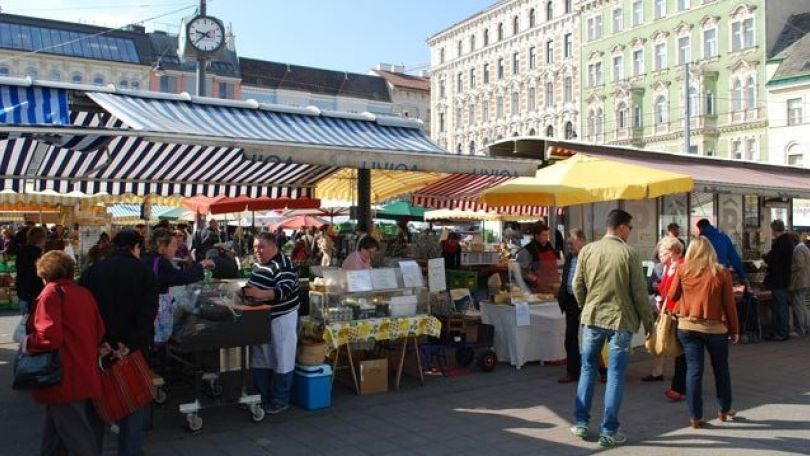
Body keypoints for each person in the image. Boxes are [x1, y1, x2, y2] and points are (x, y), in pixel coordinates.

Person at [571, 209, 653, 448]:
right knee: (615, 375)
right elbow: (639, 293)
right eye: (630, 227)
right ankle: (608, 430)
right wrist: (649, 323)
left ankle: (580, 422)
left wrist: (585, 307)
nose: (631, 232)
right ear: (620, 227)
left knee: (588, 370)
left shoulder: (587, 250)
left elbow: (577, 285)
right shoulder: (629, 254)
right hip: (620, 321)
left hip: (592, 318)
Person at [80, 230, 159, 456]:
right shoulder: (144, 272)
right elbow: (147, 313)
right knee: (132, 405)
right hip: (132, 350)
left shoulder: (92, 271)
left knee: (95, 407)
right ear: (136, 246)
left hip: (99, 349)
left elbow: (85, 311)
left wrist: (101, 341)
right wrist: (129, 343)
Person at [23, 251, 106, 456]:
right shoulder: (82, 293)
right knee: (56, 434)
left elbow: (49, 337)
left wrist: (27, 343)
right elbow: (99, 330)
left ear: (44, 273)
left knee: (77, 436)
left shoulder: (51, 294)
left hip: (63, 375)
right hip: (82, 370)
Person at [668, 237, 740, 428]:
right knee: (721, 369)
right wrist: (734, 330)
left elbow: (672, 296)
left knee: (694, 371)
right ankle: (724, 409)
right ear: (711, 252)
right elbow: (729, 305)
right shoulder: (721, 272)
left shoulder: (683, 270)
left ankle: (695, 417)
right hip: (715, 328)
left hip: (687, 327)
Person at [243, 233, 300, 414]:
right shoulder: (260, 263)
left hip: (282, 318)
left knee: (283, 359)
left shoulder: (283, 264)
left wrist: (260, 294)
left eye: (261, 247)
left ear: (273, 246)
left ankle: (280, 400)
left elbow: (284, 289)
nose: (257, 251)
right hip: (262, 318)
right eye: (254, 247)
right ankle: (261, 395)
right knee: (262, 358)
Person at [142, 228, 215, 345]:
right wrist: (201, 265)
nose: (176, 249)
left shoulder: (147, 258)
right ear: (163, 246)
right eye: (173, 246)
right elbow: (181, 278)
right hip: (155, 309)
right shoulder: (161, 263)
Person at [647, 238, 688, 403]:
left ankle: (680, 388)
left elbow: (673, 291)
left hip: (681, 314)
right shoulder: (667, 268)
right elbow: (665, 289)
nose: (659, 255)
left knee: (683, 352)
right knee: (680, 351)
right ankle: (679, 387)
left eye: (663, 252)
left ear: (672, 252)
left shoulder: (681, 265)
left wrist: (663, 296)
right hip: (671, 313)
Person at [557, 228, 587, 384]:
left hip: (586, 301)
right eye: (567, 244)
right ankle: (572, 371)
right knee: (570, 337)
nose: (569, 246)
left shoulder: (589, 257)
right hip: (570, 301)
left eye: (571, 243)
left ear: (581, 241)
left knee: (592, 337)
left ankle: (602, 369)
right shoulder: (569, 258)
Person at [762, 220, 793, 341]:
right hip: (784, 278)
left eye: (772, 230)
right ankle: (783, 330)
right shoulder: (788, 241)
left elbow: (774, 260)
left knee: (780, 306)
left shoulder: (780, 242)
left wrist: (765, 257)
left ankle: (782, 332)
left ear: (775, 229)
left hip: (778, 279)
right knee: (782, 306)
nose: (772, 233)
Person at [696, 219, 748, 284]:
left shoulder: (701, 239)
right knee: (725, 293)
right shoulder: (723, 236)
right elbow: (734, 258)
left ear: (700, 228)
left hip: (706, 275)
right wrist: (743, 275)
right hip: (723, 273)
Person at [517, 223, 560, 294]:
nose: (547, 237)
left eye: (547, 235)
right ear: (536, 236)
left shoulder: (549, 246)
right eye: (544, 235)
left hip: (553, 287)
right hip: (537, 289)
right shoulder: (527, 250)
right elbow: (521, 270)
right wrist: (533, 279)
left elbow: (554, 263)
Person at [15, 226, 48, 314]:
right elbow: (34, 275)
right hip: (35, 293)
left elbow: (21, 273)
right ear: (41, 239)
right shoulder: (38, 254)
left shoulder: (21, 251)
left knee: (27, 322)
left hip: (23, 292)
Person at [789, 232, 810, 336]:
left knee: (798, 306)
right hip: (805, 280)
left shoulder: (799, 249)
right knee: (802, 305)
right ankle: (806, 327)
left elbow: (799, 264)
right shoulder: (804, 248)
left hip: (799, 281)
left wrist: (788, 268)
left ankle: (801, 329)